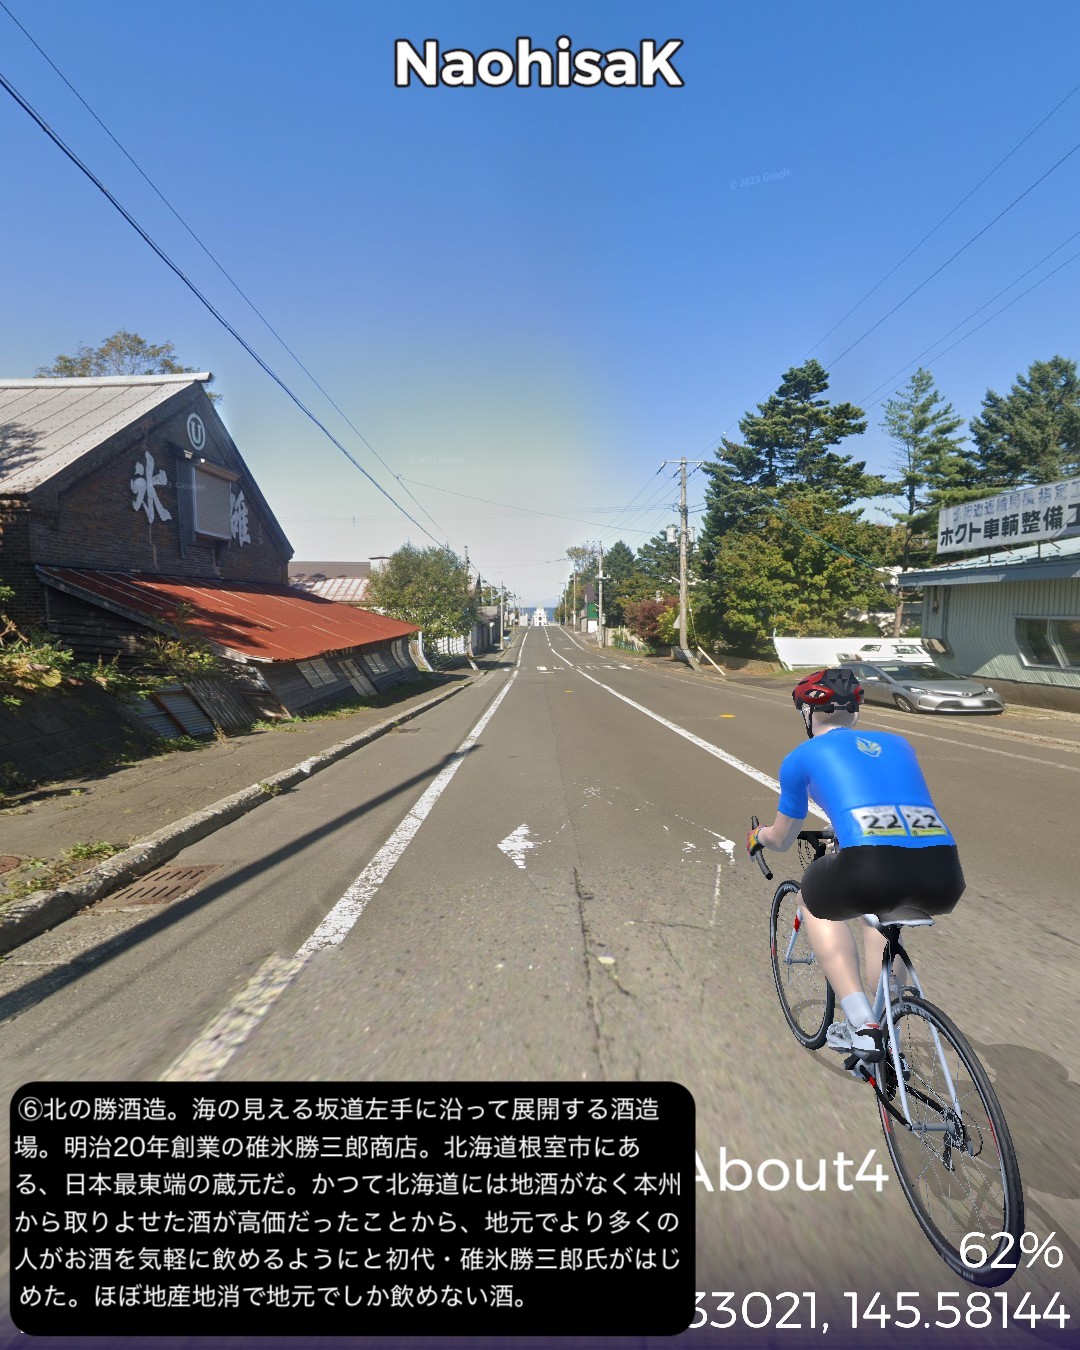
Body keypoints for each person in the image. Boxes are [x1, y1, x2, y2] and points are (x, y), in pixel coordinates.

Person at [747, 667, 965, 1061]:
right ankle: (892, 1013)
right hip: (944, 869)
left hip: (871, 864)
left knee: (814, 901)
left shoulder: (801, 757)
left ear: (807, 714)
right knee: (879, 913)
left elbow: (782, 838)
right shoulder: (899, 744)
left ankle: (862, 1025)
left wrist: (757, 837)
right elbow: (884, 798)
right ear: (856, 712)